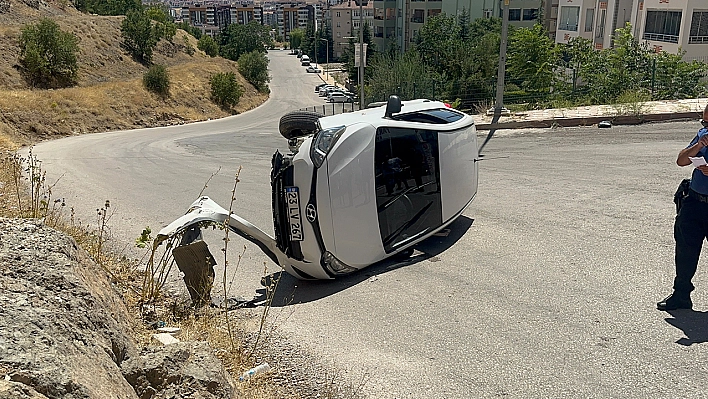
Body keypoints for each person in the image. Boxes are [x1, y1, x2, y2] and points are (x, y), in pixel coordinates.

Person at [658, 103, 708, 311]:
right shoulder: (703, 135)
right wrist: (698, 146)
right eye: (705, 121)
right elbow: (681, 160)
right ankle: (681, 296)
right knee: (685, 251)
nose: (706, 126)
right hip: (695, 203)